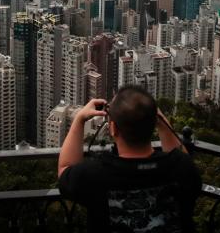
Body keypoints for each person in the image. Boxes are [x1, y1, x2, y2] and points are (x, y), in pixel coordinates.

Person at [57, 85, 202, 232]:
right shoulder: (181, 167)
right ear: (155, 122)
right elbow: (181, 157)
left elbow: (65, 169)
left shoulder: (95, 174)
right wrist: (158, 119)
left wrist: (80, 118)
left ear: (112, 128)